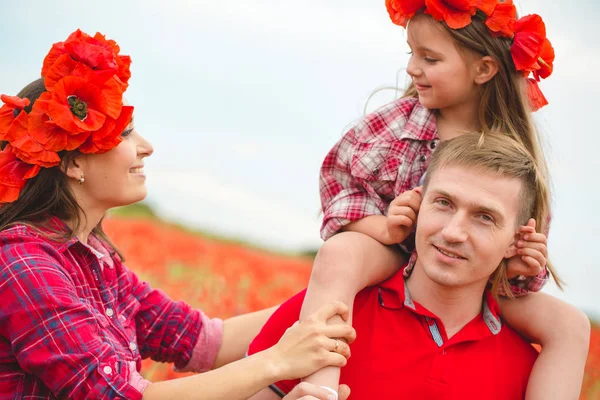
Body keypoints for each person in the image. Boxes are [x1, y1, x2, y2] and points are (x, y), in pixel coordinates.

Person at [0, 30, 356, 400]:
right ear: (74, 163)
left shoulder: (96, 261)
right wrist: (278, 361)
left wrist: (339, 293)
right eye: (127, 134)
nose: (146, 147)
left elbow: (202, 340)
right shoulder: (24, 263)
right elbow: (119, 396)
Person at [298, 2, 590, 399]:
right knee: (341, 255)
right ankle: (317, 387)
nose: (413, 68)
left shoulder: (513, 157)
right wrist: (382, 226)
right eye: (412, 54)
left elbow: (522, 236)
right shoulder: (398, 123)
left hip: (474, 279)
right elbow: (339, 180)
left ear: (483, 69)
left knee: (571, 325)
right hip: (394, 252)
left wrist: (519, 264)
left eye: (430, 58)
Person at [247, 132, 583, 399]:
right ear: (418, 204)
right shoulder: (329, 315)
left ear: (515, 240)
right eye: (443, 203)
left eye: (484, 217)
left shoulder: (530, 371)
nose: (453, 232)